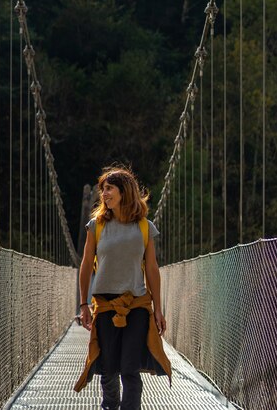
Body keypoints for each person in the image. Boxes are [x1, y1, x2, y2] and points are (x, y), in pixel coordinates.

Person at [74, 166, 171, 410]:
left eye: (109, 188)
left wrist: (158, 309)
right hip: (105, 305)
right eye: (103, 189)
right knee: (107, 369)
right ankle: (110, 406)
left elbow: (152, 269)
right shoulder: (95, 226)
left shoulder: (144, 226)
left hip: (137, 305)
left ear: (124, 191)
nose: (104, 194)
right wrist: (84, 304)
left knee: (129, 369)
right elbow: (86, 265)